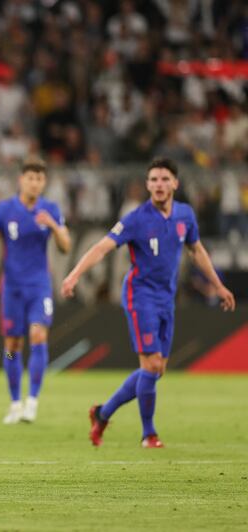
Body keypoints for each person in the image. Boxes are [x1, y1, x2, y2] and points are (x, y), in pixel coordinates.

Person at [62, 157, 236, 448]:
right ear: (147, 185)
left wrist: (217, 285)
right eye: (153, 179)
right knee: (151, 364)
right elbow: (103, 246)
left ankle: (102, 413)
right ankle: (148, 434)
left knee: (157, 369)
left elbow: (197, 250)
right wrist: (75, 274)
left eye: (164, 179)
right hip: (140, 295)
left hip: (167, 298)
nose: (159, 184)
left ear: (175, 184)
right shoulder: (136, 219)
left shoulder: (185, 215)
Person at [0, 156, 71, 424]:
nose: (34, 183)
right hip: (12, 287)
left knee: (38, 335)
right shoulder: (4, 210)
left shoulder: (51, 209)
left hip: (40, 284)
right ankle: (15, 402)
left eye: (40, 179)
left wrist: (54, 226)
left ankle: (32, 401)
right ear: (21, 180)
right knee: (12, 345)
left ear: (44, 182)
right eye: (30, 178)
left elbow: (65, 246)